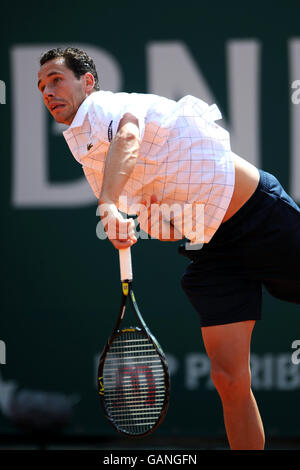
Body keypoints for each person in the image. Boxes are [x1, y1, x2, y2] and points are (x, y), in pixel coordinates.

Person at [37, 47, 300, 450]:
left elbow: (128, 134)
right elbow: (156, 222)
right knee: (230, 379)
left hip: (261, 216)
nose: (47, 91)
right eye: (41, 87)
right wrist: (137, 225)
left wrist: (107, 204)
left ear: (87, 82)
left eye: (56, 79)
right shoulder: (84, 147)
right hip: (214, 252)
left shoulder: (106, 106)